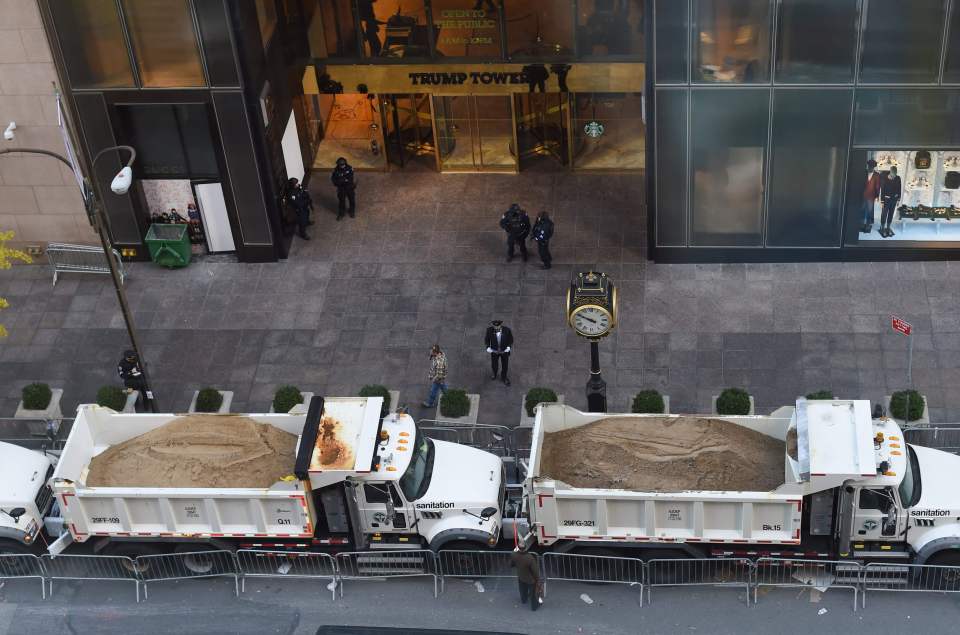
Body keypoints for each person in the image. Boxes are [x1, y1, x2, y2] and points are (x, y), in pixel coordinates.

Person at [510, 543, 542, 611]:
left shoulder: (514, 555)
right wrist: (538, 580)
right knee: (533, 594)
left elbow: (511, 564)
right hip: (530, 579)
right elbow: (535, 571)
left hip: (521, 576)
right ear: (526, 548)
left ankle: (524, 600)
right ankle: (534, 607)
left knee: (522, 590)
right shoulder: (530, 558)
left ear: (518, 548)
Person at [485, 320, 513, 386]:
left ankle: (504, 377)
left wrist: (509, 347)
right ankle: (494, 374)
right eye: (494, 326)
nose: (496, 328)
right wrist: (488, 347)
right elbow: (487, 340)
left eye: (497, 326)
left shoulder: (507, 330)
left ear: (500, 325)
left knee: (505, 365)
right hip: (494, 351)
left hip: (504, 351)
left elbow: (510, 339)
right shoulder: (489, 330)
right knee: (494, 364)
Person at [879, 166, 902, 238]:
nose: (894, 177)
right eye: (892, 175)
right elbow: (882, 190)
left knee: (891, 213)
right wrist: (882, 201)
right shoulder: (884, 179)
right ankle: (882, 227)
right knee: (884, 213)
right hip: (886, 199)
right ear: (890, 172)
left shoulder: (898, 178)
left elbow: (899, 189)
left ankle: (888, 226)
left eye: (895, 175)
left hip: (894, 200)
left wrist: (898, 199)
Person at [861, 159, 881, 233]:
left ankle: (868, 225)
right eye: (869, 166)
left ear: (874, 167)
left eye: (872, 166)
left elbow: (878, 186)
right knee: (862, 210)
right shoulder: (864, 173)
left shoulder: (877, 175)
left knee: (869, 211)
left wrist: (877, 196)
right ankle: (861, 224)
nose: (870, 168)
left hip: (871, 196)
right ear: (868, 166)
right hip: (863, 195)